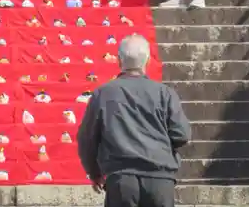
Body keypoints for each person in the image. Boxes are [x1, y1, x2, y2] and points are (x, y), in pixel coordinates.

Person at [77, 34, 191, 207]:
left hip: (121, 179)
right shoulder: (164, 93)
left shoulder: (103, 93)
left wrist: (94, 173)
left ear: (119, 60)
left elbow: (87, 139)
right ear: (147, 62)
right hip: (160, 179)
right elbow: (181, 135)